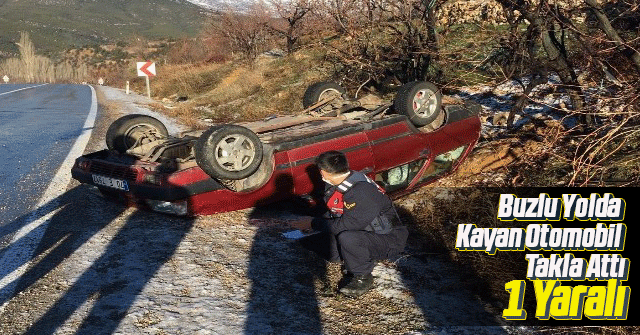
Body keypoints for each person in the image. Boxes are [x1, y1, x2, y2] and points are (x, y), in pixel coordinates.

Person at [293, 151, 409, 297]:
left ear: (323, 172)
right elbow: (334, 211)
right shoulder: (340, 182)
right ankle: (351, 256)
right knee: (317, 245)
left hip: (388, 238)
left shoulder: (360, 191)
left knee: (348, 238)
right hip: (365, 232)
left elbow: (349, 225)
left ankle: (362, 277)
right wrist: (309, 221)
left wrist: (313, 223)